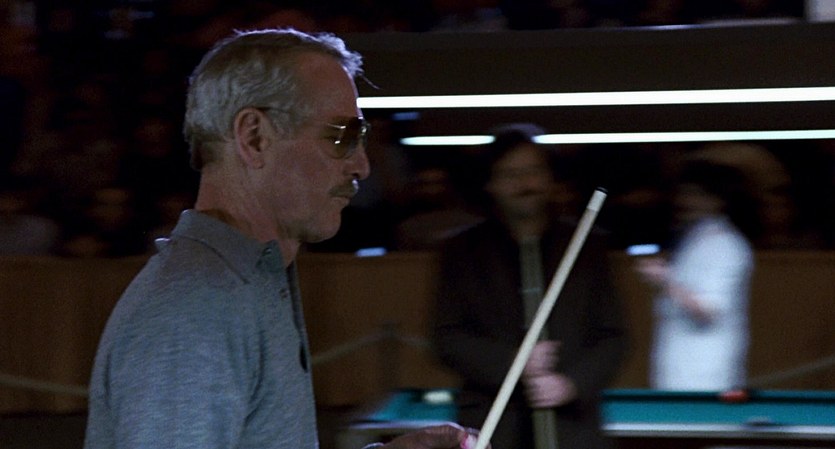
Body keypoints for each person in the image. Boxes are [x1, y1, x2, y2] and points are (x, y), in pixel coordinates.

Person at [84, 28, 484, 449]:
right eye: (342, 137)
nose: (362, 166)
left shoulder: (247, 279)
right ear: (254, 138)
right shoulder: (196, 309)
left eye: (362, 139)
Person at [430, 124, 629, 449]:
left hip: (574, 430)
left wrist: (571, 384)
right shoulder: (461, 251)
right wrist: (514, 361)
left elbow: (614, 337)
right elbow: (447, 338)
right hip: (492, 428)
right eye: (510, 174)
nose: (524, 183)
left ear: (550, 178)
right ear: (491, 184)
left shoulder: (588, 247)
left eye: (533, 171)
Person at [636, 158, 756, 391]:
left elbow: (708, 310)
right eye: (684, 193)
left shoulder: (725, 245)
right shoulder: (695, 239)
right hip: (680, 371)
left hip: (706, 377)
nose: (685, 201)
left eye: (695, 195)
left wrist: (665, 279)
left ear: (718, 200)